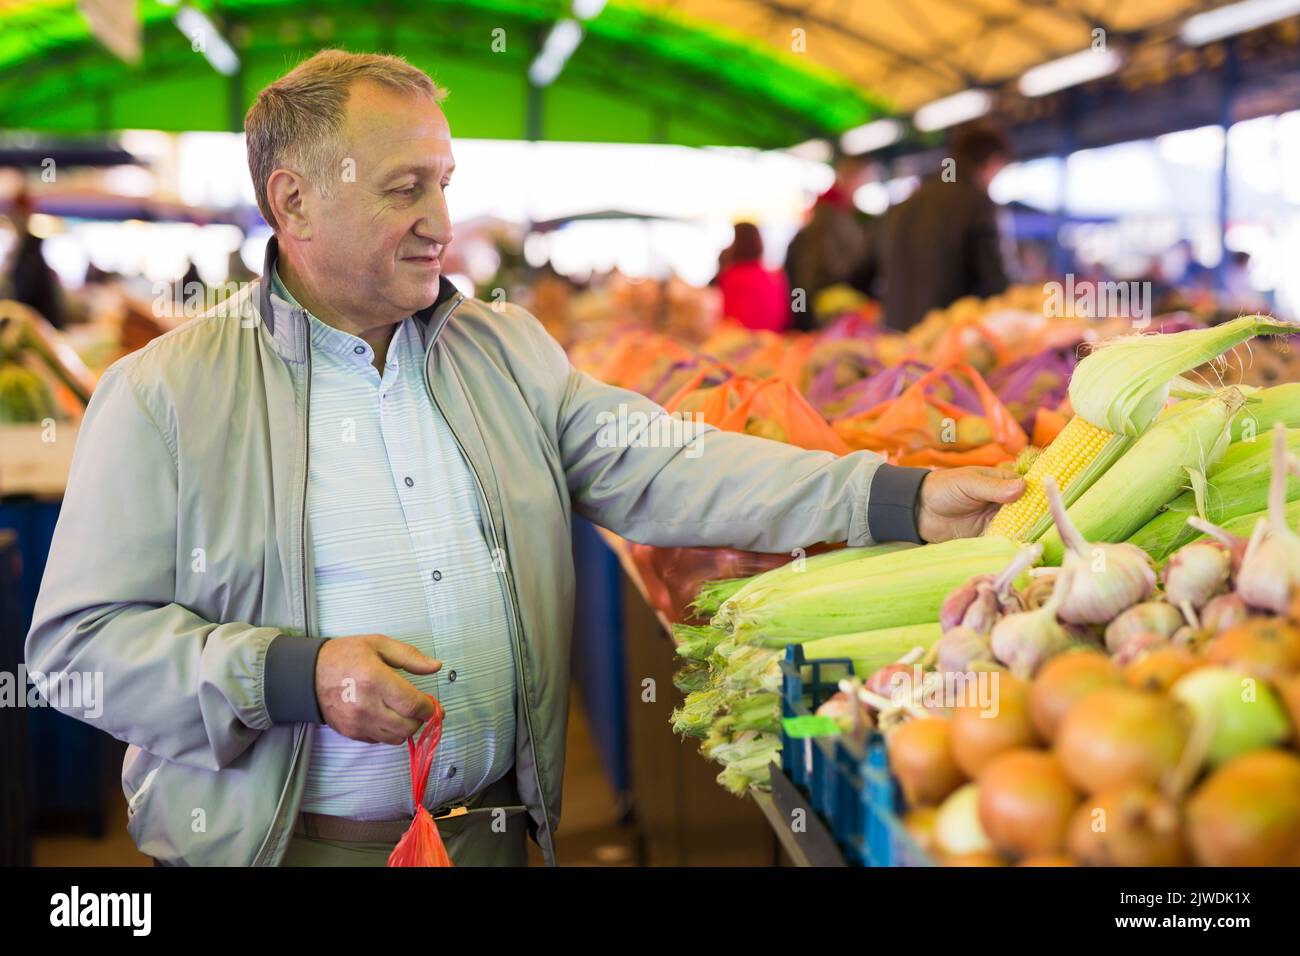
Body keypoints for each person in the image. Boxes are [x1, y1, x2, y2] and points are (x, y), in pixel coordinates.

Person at [25, 50, 1025, 868]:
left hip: (499, 838)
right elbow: (75, 654)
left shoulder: (502, 350)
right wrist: (297, 674)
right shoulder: (163, 394)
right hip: (288, 851)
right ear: (293, 201)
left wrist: (898, 496)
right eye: (403, 188)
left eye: (445, 183)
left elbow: (667, 463)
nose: (440, 222)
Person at [882, 122, 1011, 332]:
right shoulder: (977, 202)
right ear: (992, 162)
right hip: (947, 341)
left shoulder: (908, 201)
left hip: (896, 337)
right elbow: (997, 283)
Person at [783, 155, 878, 330]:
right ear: (851, 177)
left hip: (813, 311)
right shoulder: (832, 218)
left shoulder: (828, 214)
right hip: (825, 315)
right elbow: (837, 267)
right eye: (863, 180)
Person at [5, 188, 66, 329]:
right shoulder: (24, 248)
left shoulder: (30, 250)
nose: (14, 217)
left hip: (40, 325)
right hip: (39, 323)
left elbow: (23, 294)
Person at [717, 222, 790, 332]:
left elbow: (727, 319)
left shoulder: (730, 278)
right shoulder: (776, 276)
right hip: (773, 339)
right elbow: (786, 316)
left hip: (740, 342)